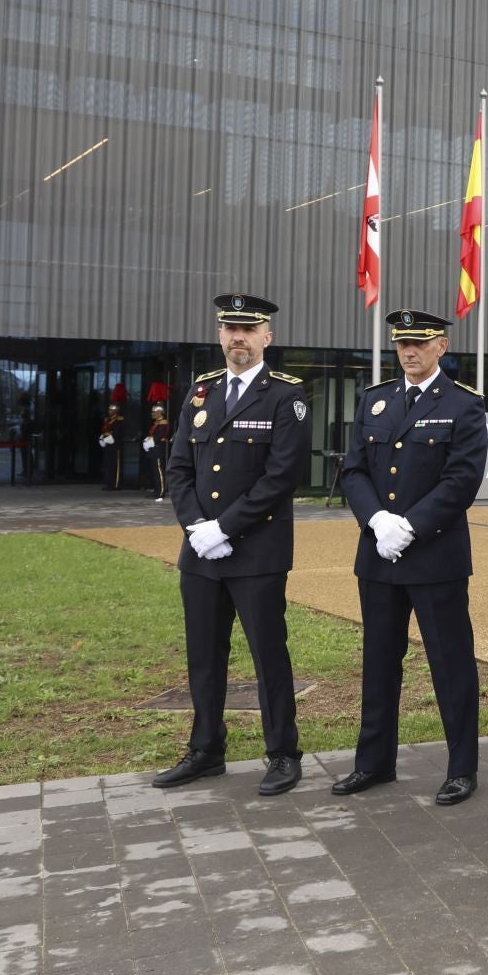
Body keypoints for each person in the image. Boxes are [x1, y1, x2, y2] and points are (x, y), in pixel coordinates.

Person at [155, 292, 309, 796]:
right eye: (230, 329)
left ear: (268, 337)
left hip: (256, 553)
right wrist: (197, 527)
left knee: (269, 655)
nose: (238, 338)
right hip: (200, 552)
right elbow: (179, 469)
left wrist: (225, 528)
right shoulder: (200, 393)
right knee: (203, 655)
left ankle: (283, 753)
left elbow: (282, 475)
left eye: (249, 330)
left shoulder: (286, 395)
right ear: (221, 335)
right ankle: (205, 749)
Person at [334, 309, 488, 806]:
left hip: (435, 557)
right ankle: (374, 763)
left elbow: (462, 480)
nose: (409, 351)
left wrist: (411, 526)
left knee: (451, 664)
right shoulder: (375, 401)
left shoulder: (464, 405)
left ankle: (462, 767)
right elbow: (353, 470)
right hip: (379, 555)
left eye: (419, 343)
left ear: (440, 347)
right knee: (379, 661)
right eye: (402, 344)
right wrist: (377, 521)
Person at [142, 404, 171, 501]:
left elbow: (158, 436)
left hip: (158, 449)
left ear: (159, 412)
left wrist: (150, 441)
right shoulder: (157, 423)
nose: (152, 414)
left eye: (154, 412)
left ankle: (161, 491)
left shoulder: (163, 423)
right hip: (153, 449)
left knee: (158, 471)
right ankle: (156, 490)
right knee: (154, 471)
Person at [99, 400, 125, 490]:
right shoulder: (108, 420)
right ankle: (109, 483)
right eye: (109, 409)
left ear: (115, 411)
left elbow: (118, 432)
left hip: (115, 445)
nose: (109, 411)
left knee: (115, 465)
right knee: (108, 465)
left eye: (111, 410)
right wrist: (103, 437)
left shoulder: (119, 420)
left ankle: (116, 484)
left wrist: (110, 436)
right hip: (108, 444)